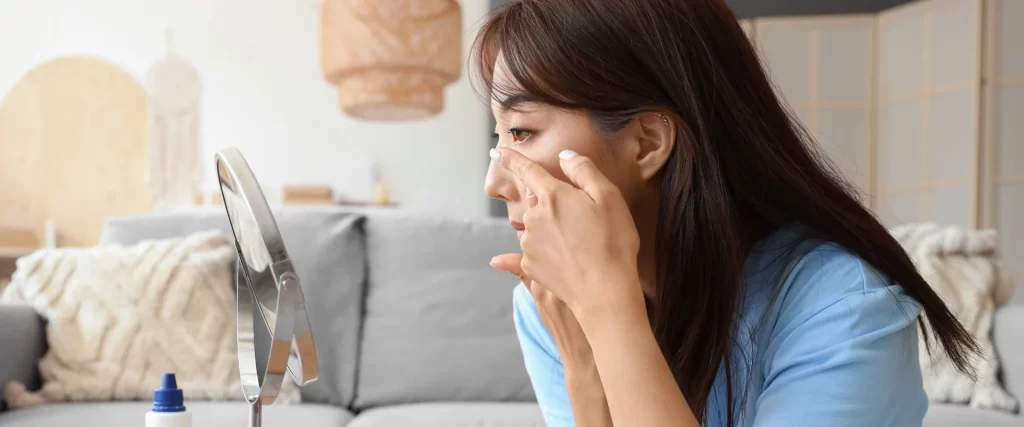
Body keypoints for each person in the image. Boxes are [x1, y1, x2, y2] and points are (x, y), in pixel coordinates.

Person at [477, 1, 978, 426]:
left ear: (647, 142)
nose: (494, 183)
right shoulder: (551, 302)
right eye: (499, 136)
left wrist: (609, 312)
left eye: (521, 132)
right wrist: (584, 372)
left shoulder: (842, 305)